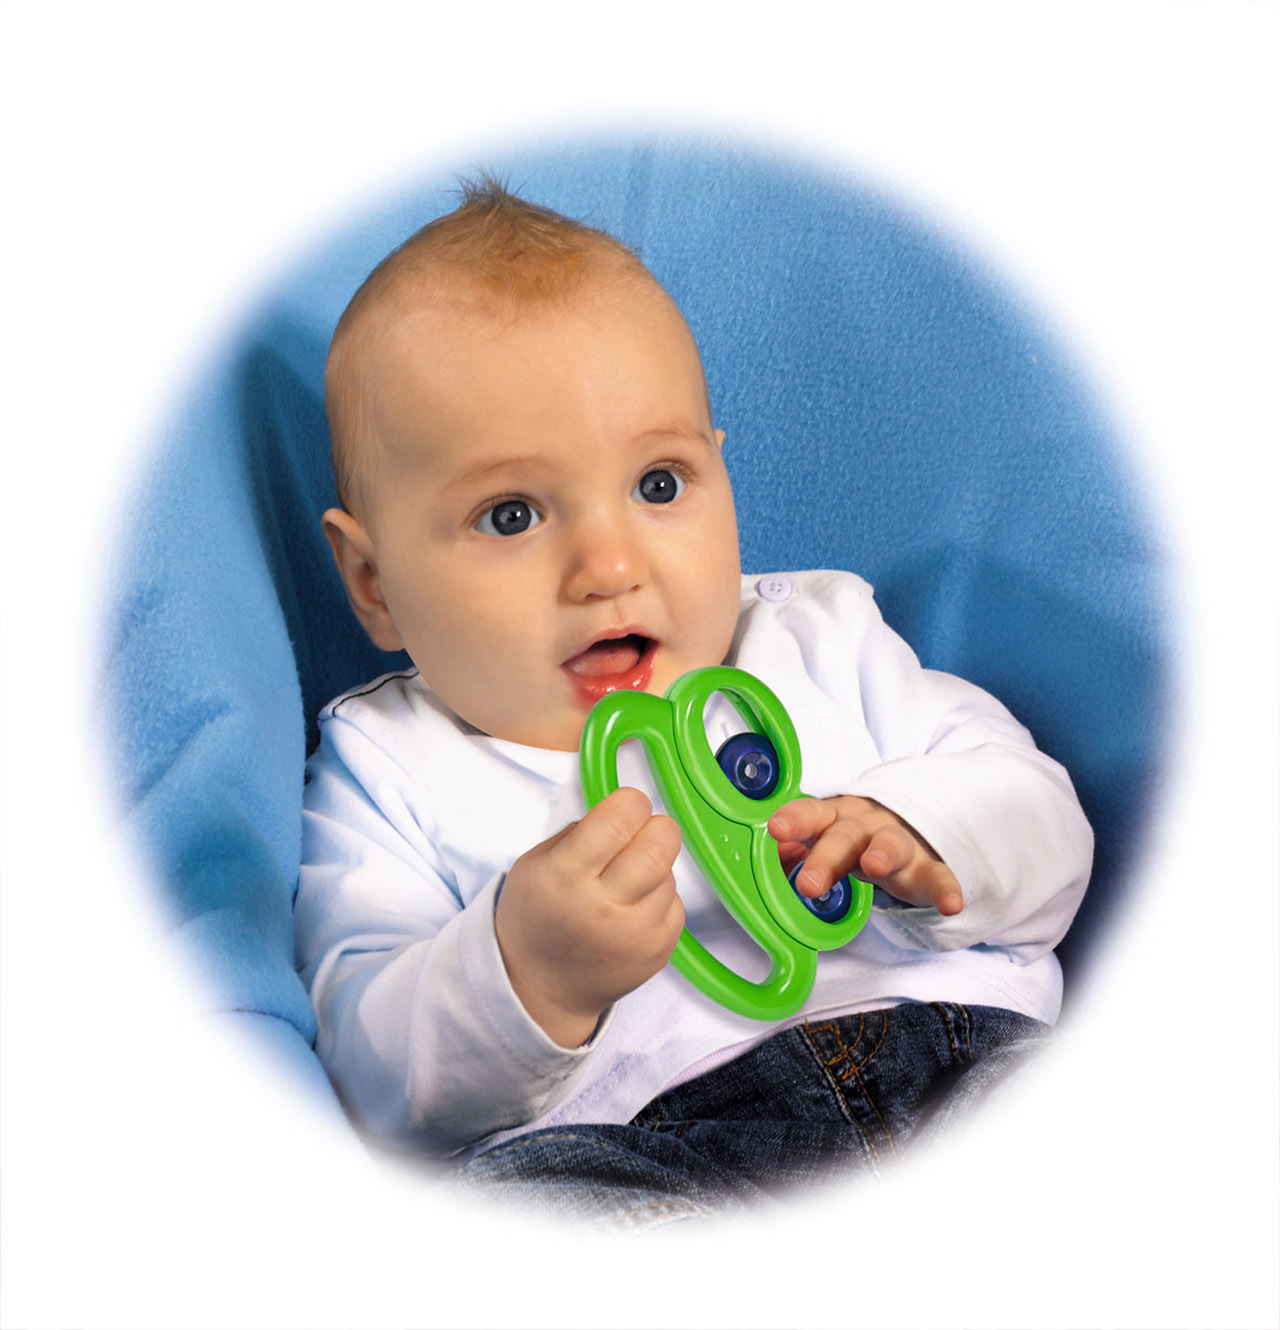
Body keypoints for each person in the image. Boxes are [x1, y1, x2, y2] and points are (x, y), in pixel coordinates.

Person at [293, 178, 1093, 1225]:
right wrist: (526, 971)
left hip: (959, 1057)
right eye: (512, 514)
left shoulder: (821, 636)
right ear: (373, 583)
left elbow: (1045, 825)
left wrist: (923, 829)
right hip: (643, 1147)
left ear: (720, 473)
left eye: (659, 485)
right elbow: (368, 1077)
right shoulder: (386, 764)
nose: (609, 566)